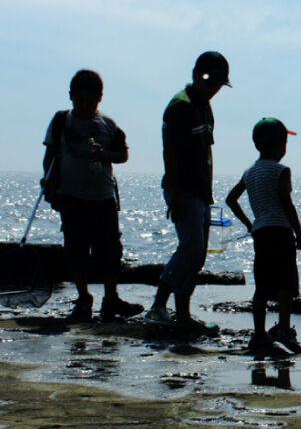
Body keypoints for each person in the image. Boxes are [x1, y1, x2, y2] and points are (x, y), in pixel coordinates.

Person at [42, 70, 143, 322]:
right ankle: (83, 298)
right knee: (76, 248)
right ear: (71, 97)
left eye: (91, 100)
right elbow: (50, 155)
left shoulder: (108, 125)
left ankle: (111, 298)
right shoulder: (60, 121)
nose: (86, 105)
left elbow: (122, 155)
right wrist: (48, 180)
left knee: (109, 249)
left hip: (103, 197)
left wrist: (104, 155)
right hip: (71, 196)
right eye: (80, 99)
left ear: (100, 98)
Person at [145, 51, 230, 335]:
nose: (215, 89)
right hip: (183, 189)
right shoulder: (180, 106)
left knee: (198, 255)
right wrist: (178, 195)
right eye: (211, 82)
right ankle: (158, 306)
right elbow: (170, 153)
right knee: (190, 248)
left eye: (219, 84)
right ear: (197, 75)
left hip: (200, 191)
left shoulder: (205, 107)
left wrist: (208, 193)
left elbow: (206, 151)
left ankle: (183, 313)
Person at [225, 118, 301, 354]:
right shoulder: (281, 170)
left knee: (262, 286)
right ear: (280, 145)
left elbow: (231, 200)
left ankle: (260, 334)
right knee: (286, 285)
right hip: (281, 231)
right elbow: (287, 204)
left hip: (261, 234)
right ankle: (283, 329)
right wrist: (300, 236)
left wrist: (250, 224)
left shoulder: (249, 173)